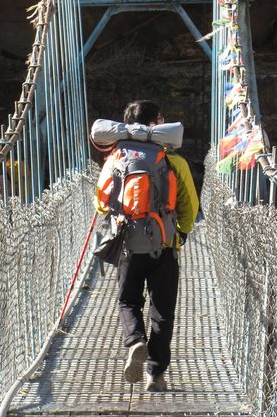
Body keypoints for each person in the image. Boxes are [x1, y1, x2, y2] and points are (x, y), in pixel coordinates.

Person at [95, 99, 199, 392]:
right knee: (163, 310)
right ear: (157, 123)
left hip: (128, 244)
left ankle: (135, 340)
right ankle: (156, 374)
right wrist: (181, 233)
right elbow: (189, 206)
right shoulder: (173, 161)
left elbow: (101, 203)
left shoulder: (115, 158)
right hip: (164, 247)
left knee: (128, 301)